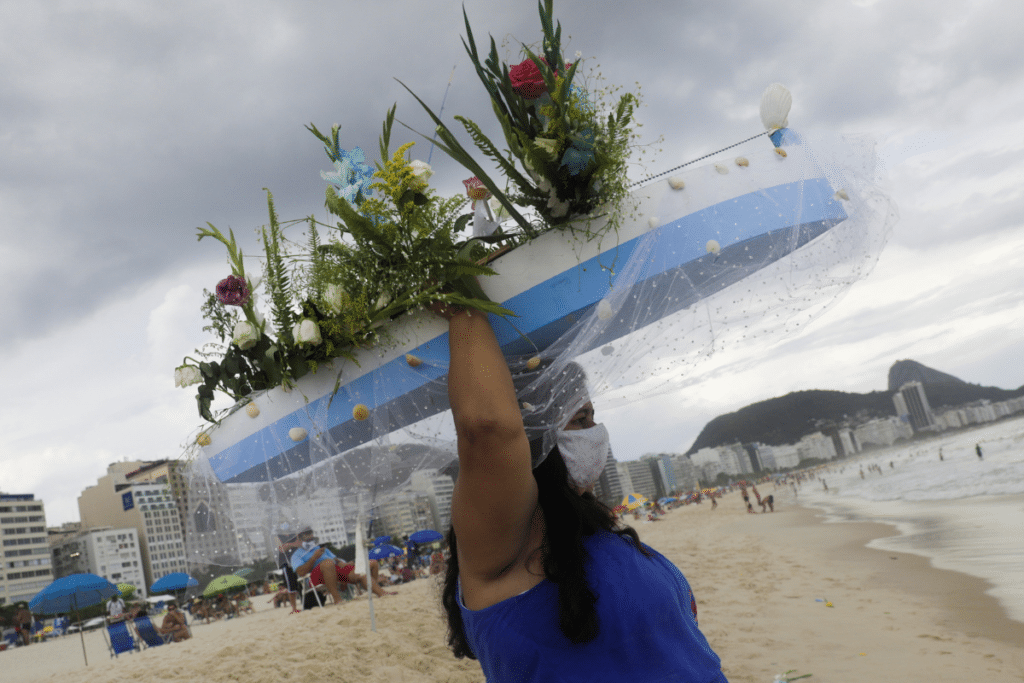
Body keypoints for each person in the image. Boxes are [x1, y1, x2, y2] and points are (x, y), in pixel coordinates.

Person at [436, 303, 727, 682]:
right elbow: (486, 426)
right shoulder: (504, 543)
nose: (596, 431)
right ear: (532, 436)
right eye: (580, 419)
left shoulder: (596, 530)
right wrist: (463, 307)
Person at [290, 526, 391, 603]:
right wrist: (314, 558)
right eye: (307, 536)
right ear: (300, 538)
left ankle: (381, 593)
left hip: (335, 570)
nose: (310, 538)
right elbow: (301, 572)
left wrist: (342, 563)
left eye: (311, 535)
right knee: (327, 563)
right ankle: (338, 600)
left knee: (370, 564)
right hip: (315, 576)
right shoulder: (296, 555)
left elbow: (335, 559)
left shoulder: (320, 548)